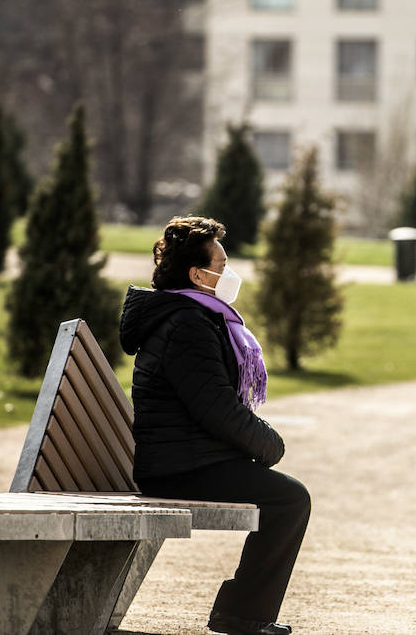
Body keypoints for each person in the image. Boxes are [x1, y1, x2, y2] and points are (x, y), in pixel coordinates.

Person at [119, 216, 309, 635]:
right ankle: (243, 615)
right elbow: (216, 408)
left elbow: (210, 405)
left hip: (186, 460)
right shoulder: (186, 324)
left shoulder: (191, 316)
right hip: (179, 469)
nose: (229, 274)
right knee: (290, 499)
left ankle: (244, 611)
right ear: (196, 274)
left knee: (286, 497)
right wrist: (268, 444)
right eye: (221, 267)